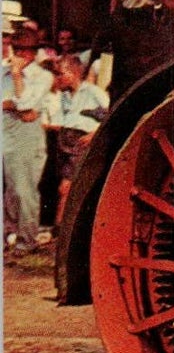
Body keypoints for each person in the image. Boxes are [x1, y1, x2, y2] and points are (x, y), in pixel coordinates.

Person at [41, 53, 108, 224]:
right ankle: (61, 227)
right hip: (64, 142)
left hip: (80, 143)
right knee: (63, 187)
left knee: (66, 187)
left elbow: (111, 115)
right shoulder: (64, 96)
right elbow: (61, 120)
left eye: (61, 74)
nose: (58, 78)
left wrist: (93, 135)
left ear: (74, 73)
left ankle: (60, 229)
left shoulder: (93, 92)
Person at [3, 22, 51, 257]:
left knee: (25, 190)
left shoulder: (42, 77)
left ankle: (27, 239)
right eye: (18, 49)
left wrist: (16, 82)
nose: (22, 54)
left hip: (27, 138)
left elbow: (26, 108)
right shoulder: (3, 73)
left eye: (26, 50)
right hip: (6, 133)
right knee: (9, 190)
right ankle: (6, 236)